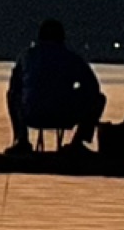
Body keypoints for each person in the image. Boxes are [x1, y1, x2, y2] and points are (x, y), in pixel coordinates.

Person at [7, 18, 105, 154]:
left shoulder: (27, 56)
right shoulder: (72, 58)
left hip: (32, 114)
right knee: (99, 99)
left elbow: (15, 86)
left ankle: (21, 139)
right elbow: (93, 87)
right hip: (64, 114)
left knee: (12, 95)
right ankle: (78, 142)